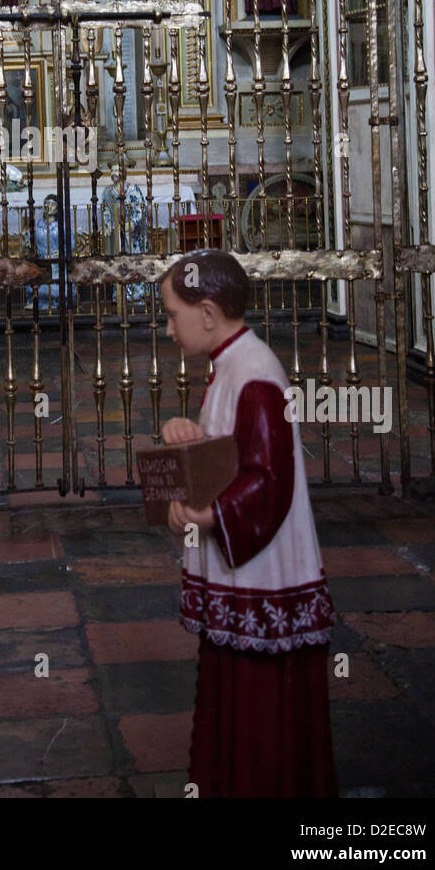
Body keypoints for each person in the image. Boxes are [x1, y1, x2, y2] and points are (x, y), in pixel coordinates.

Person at [160, 249, 337, 798]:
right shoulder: (233, 365)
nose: (168, 330)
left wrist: (211, 514)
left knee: (258, 704)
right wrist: (189, 435)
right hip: (247, 577)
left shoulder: (256, 374)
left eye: (172, 315)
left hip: (263, 579)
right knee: (236, 693)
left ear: (208, 314)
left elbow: (269, 479)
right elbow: (232, 454)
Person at [101, 164, 148, 305]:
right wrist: (108, 224)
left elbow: (141, 208)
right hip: (117, 234)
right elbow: (106, 210)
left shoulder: (133, 190)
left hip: (134, 234)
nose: (114, 173)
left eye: (117, 170)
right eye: (113, 170)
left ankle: (138, 294)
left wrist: (133, 223)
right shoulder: (107, 192)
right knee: (120, 262)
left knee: (134, 260)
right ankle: (121, 293)